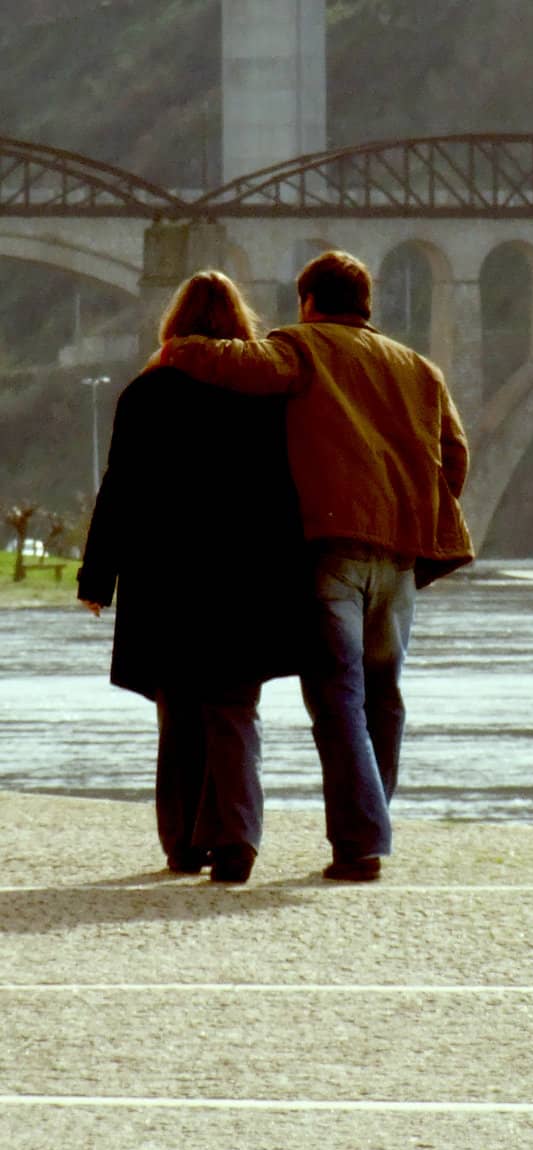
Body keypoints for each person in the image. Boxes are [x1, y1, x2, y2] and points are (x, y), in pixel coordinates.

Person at [160, 250, 473, 882]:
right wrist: (418, 512)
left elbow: (237, 364)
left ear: (308, 301)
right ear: (367, 305)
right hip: (401, 555)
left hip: (334, 550)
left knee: (339, 701)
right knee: (384, 697)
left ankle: (360, 845)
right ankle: (369, 824)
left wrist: (179, 348)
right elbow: (455, 454)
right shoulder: (419, 368)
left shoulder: (301, 348)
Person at [77, 271, 304, 884]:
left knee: (179, 712)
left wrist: (97, 578)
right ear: (239, 323)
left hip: (166, 578)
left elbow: (119, 492)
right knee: (233, 710)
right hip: (244, 579)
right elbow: (289, 492)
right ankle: (235, 840)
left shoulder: (146, 394)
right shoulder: (266, 397)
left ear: (173, 326)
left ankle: (182, 844)